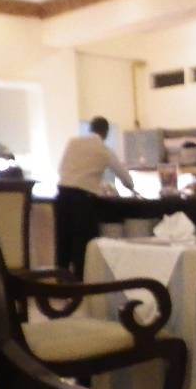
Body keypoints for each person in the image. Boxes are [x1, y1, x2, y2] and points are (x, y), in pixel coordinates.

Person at [56, 116, 136, 278]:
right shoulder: (104, 150)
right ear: (106, 132)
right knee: (83, 245)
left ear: (90, 129)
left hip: (62, 195)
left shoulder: (72, 143)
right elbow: (126, 179)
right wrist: (132, 189)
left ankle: (61, 282)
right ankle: (81, 283)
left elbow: (61, 168)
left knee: (63, 242)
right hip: (82, 200)